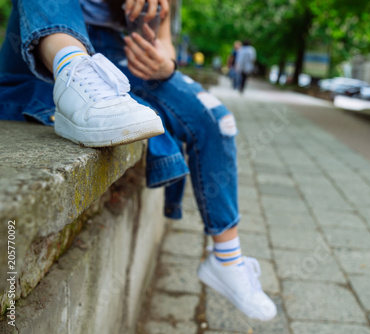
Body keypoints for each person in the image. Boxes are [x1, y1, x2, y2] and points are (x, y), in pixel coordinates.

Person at [0, 0, 276, 321]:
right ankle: (74, 68)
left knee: (218, 121)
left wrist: (165, 64)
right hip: (42, 62)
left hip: (121, 61)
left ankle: (227, 260)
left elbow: (166, 43)